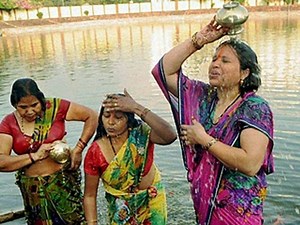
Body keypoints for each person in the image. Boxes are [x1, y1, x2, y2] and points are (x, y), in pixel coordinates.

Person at [151, 17, 274, 225]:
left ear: (244, 73)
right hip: (205, 207)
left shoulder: (254, 108)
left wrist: (204, 140)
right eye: (214, 59)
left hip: (239, 213)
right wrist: (199, 40)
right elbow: (162, 71)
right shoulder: (202, 97)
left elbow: (251, 163)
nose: (215, 65)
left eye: (225, 61)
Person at [0, 78, 98, 225]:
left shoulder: (55, 108)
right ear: (14, 105)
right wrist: (34, 156)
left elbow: (92, 116)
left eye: (34, 105)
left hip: (62, 184)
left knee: (73, 221)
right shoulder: (9, 123)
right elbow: (2, 162)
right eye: (23, 107)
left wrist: (79, 149)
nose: (30, 111)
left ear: (41, 99)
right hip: (33, 191)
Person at [83, 89, 177, 225]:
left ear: (129, 120)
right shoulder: (95, 152)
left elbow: (170, 136)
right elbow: (90, 196)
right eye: (106, 115)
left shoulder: (142, 133)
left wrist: (136, 107)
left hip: (152, 202)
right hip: (121, 210)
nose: (111, 122)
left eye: (118, 117)